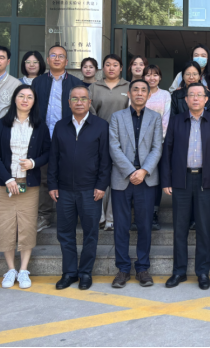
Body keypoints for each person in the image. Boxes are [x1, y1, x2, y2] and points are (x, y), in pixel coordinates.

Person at [161, 83, 210, 290]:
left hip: (205, 181)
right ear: (186, 99)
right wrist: (166, 180)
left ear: (206, 99)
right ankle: (179, 271)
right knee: (180, 228)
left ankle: (203, 272)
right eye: (192, 95)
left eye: (200, 95)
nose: (196, 98)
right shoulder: (176, 121)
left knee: (203, 228)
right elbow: (167, 152)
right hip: (181, 180)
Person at [48, 86, 111, 292]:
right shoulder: (60, 126)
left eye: (83, 98)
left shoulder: (100, 125)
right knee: (65, 233)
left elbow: (105, 159)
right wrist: (52, 184)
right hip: (64, 190)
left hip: (90, 190)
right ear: (69, 103)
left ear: (90, 102)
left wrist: (101, 185)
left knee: (90, 233)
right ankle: (69, 273)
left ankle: (85, 272)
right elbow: (53, 157)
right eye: (74, 98)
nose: (79, 102)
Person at [0, 85, 51, 290]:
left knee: (27, 225)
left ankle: (23, 269)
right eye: (21, 96)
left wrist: (33, 163)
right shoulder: (2, 124)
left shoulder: (40, 126)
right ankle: (10, 269)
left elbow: (48, 152)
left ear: (34, 102)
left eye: (29, 97)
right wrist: (7, 178)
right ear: (15, 99)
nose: (25, 100)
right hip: (5, 184)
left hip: (28, 184)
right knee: (4, 225)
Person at [109, 80, 164, 289]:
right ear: (129, 93)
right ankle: (123, 269)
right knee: (121, 226)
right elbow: (113, 147)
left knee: (144, 226)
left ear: (149, 95)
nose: (139, 93)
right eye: (135, 90)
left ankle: (142, 268)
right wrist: (131, 171)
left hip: (146, 179)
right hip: (122, 178)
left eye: (143, 90)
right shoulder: (117, 117)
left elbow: (157, 148)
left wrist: (143, 171)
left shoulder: (155, 118)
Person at [32, 45, 87, 232]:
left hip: (69, 137)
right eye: (53, 55)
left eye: (61, 56)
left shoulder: (76, 83)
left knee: (69, 176)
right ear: (48, 60)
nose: (57, 59)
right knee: (44, 177)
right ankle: (44, 216)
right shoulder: (38, 82)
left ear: (67, 61)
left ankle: (72, 215)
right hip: (43, 137)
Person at [90, 54, 131, 232]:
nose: (111, 68)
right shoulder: (94, 87)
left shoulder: (128, 86)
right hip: (99, 137)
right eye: (108, 64)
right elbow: (90, 111)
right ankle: (99, 216)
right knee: (100, 175)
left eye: (115, 65)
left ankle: (111, 218)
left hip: (122, 138)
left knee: (118, 176)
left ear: (121, 68)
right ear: (103, 68)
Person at [145, 64, 171, 230]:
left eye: (155, 75)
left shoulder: (165, 95)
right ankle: (140, 213)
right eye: (148, 75)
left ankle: (154, 213)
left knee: (155, 179)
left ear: (160, 77)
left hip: (158, 143)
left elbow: (166, 119)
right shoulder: (138, 92)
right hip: (138, 144)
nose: (152, 78)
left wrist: (157, 141)